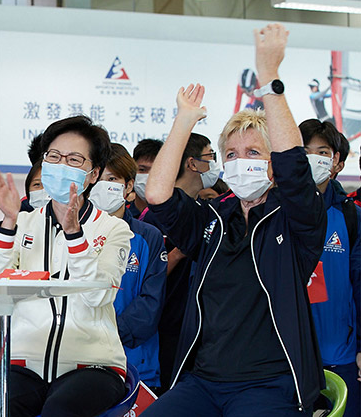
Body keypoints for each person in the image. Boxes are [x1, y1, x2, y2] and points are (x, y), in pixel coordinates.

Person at [144, 24, 327, 416]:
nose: (241, 161)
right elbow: (158, 195)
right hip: (202, 383)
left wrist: (268, 79)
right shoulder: (213, 219)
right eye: (231, 154)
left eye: (253, 152)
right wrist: (184, 120)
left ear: (272, 166)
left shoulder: (296, 219)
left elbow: (295, 169)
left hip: (270, 385)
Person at [0, 115, 133, 417]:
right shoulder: (22, 222)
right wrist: (8, 223)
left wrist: (75, 235)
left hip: (92, 364)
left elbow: (98, 296)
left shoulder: (113, 229)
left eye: (74, 160)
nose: (61, 166)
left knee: (59, 411)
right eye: (54, 157)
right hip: (24, 363)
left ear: (92, 174)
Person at [90, 143, 167, 392]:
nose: (103, 185)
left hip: (136, 363)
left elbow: (150, 304)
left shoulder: (148, 237)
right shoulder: (74, 234)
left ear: (129, 186)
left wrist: (105, 333)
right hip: (82, 361)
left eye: (111, 178)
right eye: (97, 178)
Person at [299, 118, 361, 417]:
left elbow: (359, 281)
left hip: (339, 349)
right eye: (305, 150)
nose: (314, 158)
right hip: (287, 355)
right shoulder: (271, 211)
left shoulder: (351, 215)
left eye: (322, 151)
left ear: (335, 159)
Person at [152, 131, 220, 392]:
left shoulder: (210, 213)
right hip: (164, 326)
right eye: (210, 156)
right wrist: (179, 252)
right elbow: (146, 276)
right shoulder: (155, 215)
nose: (214, 163)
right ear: (192, 163)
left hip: (197, 326)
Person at [129, 138, 163, 219]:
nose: (149, 177)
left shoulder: (173, 218)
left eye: (155, 171)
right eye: (142, 170)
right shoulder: (122, 214)